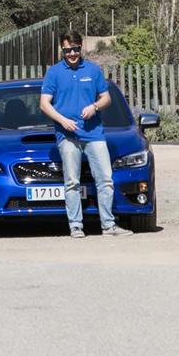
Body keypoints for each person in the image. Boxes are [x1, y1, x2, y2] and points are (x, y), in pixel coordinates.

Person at [39, 31, 126, 238]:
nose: (72, 54)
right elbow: (44, 104)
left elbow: (106, 99)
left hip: (94, 134)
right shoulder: (54, 73)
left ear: (81, 48)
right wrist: (63, 121)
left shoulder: (94, 71)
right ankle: (76, 226)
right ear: (62, 50)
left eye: (75, 49)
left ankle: (108, 225)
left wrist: (95, 107)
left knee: (105, 179)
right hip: (67, 136)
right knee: (72, 181)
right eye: (67, 50)